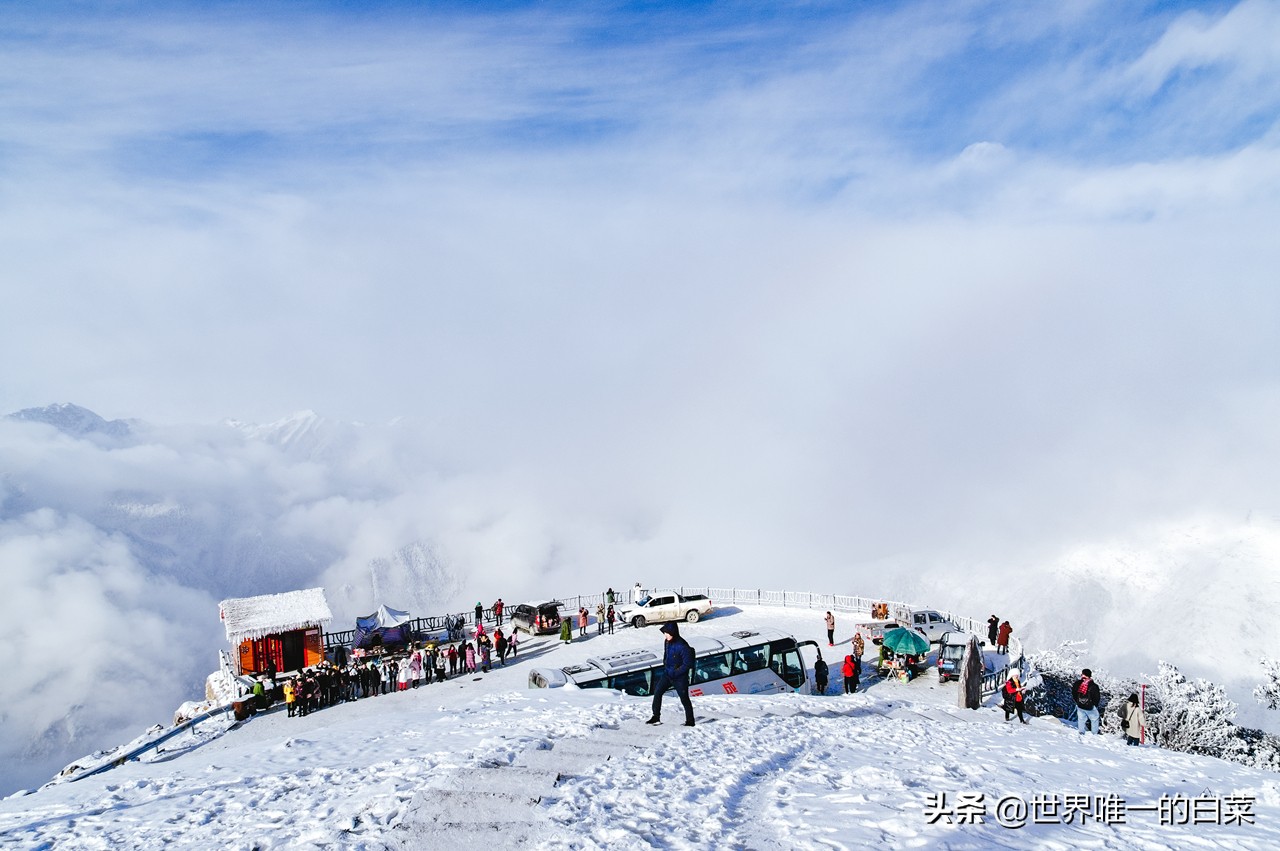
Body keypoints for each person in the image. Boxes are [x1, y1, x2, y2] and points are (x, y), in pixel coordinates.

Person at [646, 622, 696, 727]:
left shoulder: (683, 646)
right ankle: (656, 716)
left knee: (684, 699)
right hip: (667, 674)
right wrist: (665, 664)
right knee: (657, 692)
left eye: (667, 633)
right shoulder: (667, 642)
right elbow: (666, 655)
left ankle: (690, 721)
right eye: (664, 633)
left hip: (680, 678)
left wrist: (676, 672)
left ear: (673, 632)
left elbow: (688, 664)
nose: (665, 635)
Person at [1073, 668, 1101, 734]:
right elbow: (1097, 697)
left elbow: (1074, 693)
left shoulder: (1077, 683)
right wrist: (1094, 705)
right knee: (1094, 719)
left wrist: (1077, 701)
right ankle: (1094, 733)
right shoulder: (1093, 685)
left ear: (1082, 674)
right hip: (1090, 706)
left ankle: (1081, 732)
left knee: (1081, 719)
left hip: (1080, 704)